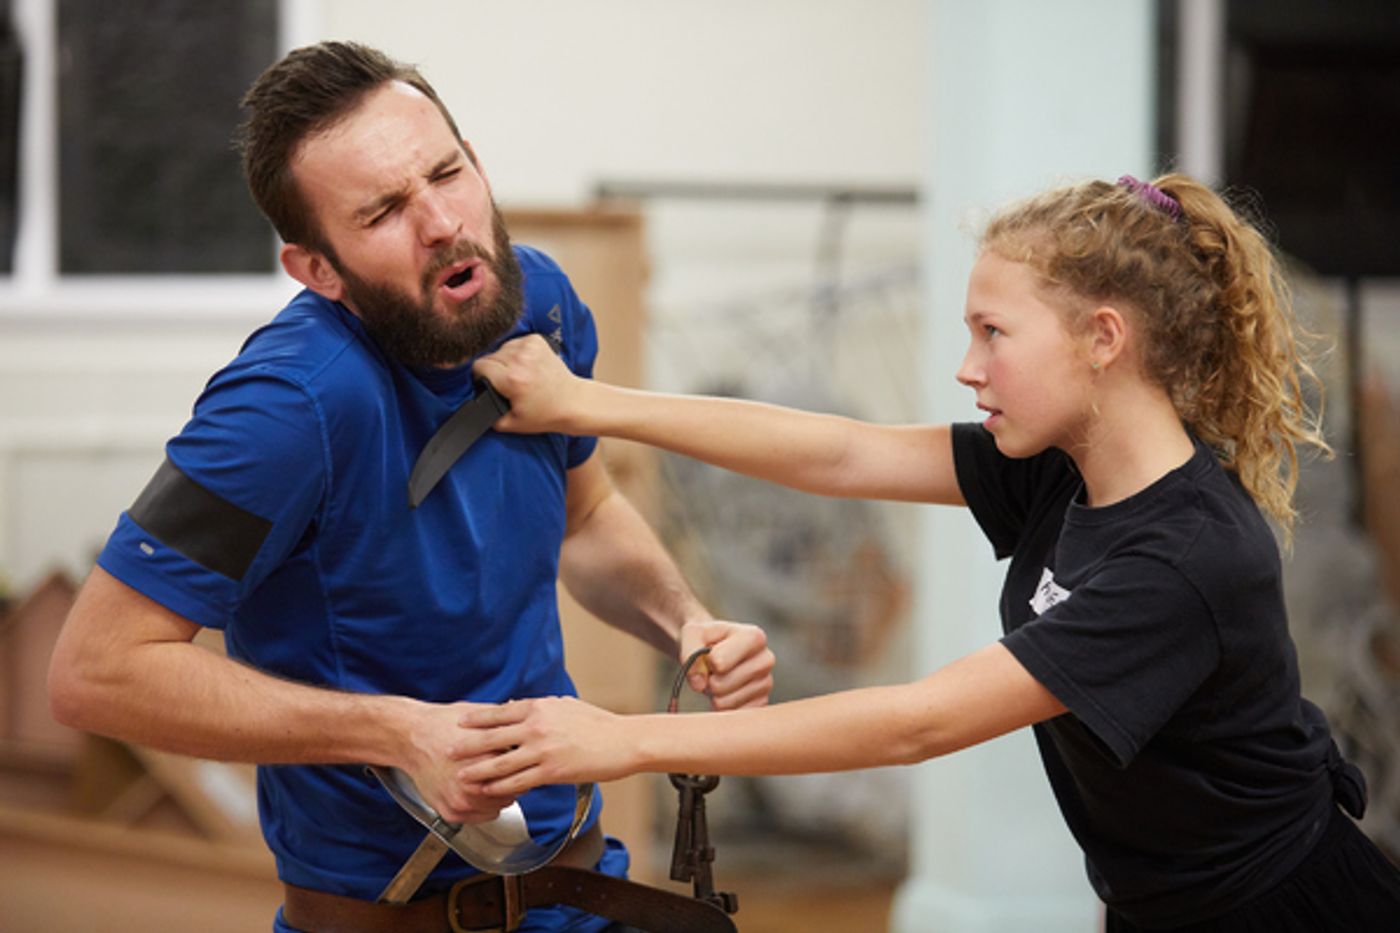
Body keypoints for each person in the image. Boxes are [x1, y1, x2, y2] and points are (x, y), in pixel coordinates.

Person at [458, 174, 1400, 931]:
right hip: (1157, 902)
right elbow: (841, 451)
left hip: (1283, 905)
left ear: (1103, 339)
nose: (968, 365)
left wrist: (622, 740)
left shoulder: (1185, 558)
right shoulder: (1064, 466)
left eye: (994, 333)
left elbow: (917, 722)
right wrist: (590, 403)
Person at [45, 40, 773, 933]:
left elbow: (585, 516)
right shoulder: (287, 406)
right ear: (317, 269)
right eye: (384, 210)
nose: (442, 223)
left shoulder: (535, 301)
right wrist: (398, 732)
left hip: (582, 883)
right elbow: (95, 670)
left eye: (447, 173)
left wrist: (683, 620)